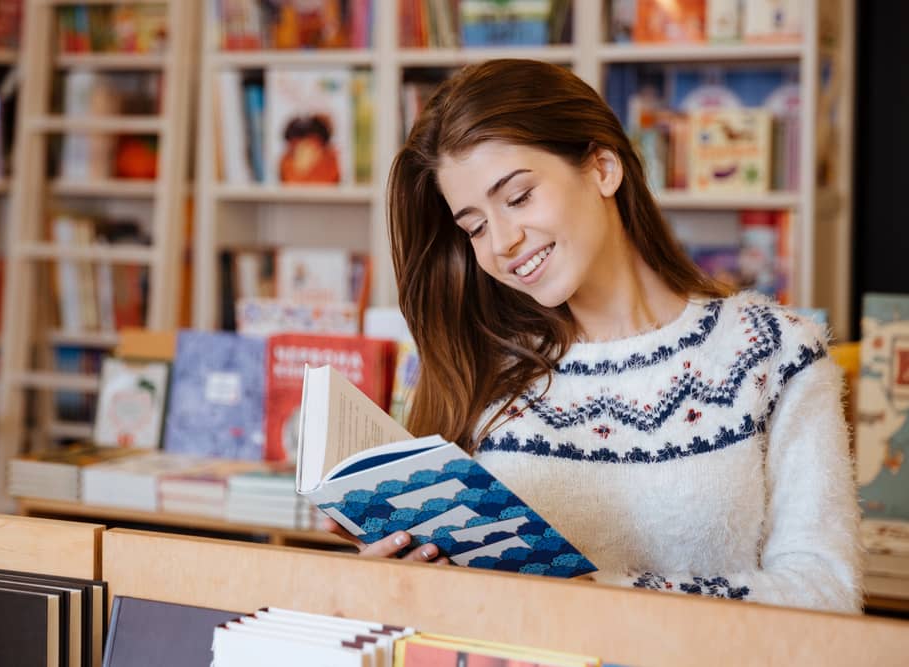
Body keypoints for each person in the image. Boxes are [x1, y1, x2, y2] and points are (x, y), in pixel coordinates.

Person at [325, 59, 861, 614]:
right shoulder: (482, 373)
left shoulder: (777, 354)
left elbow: (826, 596)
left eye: (518, 197)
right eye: (475, 226)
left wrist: (596, 597)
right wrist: (399, 580)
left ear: (603, 167)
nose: (502, 242)